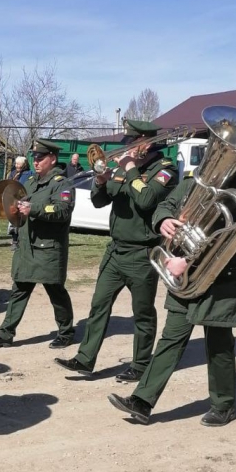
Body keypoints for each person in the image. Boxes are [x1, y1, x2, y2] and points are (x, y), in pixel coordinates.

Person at [108, 160, 236, 427]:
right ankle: (142, 400)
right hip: (184, 273)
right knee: (172, 337)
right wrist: (164, 220)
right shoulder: (203, 178)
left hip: (221, 276)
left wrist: (190, 259)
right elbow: (167, 204)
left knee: (218, 342)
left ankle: (223, 405)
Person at [55, 120, 179, 383]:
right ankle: (85, 358)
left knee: (142, 312)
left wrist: (131, 168)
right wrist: (101, 180)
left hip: (142, 253)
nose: (127, 149)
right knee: (99, 304)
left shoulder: (165, 170)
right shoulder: (123, 169)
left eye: (133, 143)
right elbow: (100, 201)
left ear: (146, 142)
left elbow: (146, 201)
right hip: (116, 251)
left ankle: (141, 364)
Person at [0, 140, 76, 349]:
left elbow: (62, 211)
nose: (36, 161)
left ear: (52, 158)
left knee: (55, 291)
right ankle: (6, 333)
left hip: (48, 248)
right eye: (34, 157)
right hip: (27, 246)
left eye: (41, 158)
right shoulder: (30, 181)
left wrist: (34, 209)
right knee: (19, 289)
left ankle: (66, 331)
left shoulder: (61, 183)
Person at [7, 156, 34, 249]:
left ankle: (23, 241)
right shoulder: (13, 173)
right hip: (14, 200)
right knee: (14, 221)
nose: (16, 165)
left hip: (24, 200)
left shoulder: (30, 174)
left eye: (19, 164)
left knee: (23, 221)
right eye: (16, 163)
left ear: (23, 164)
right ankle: (14, 241)